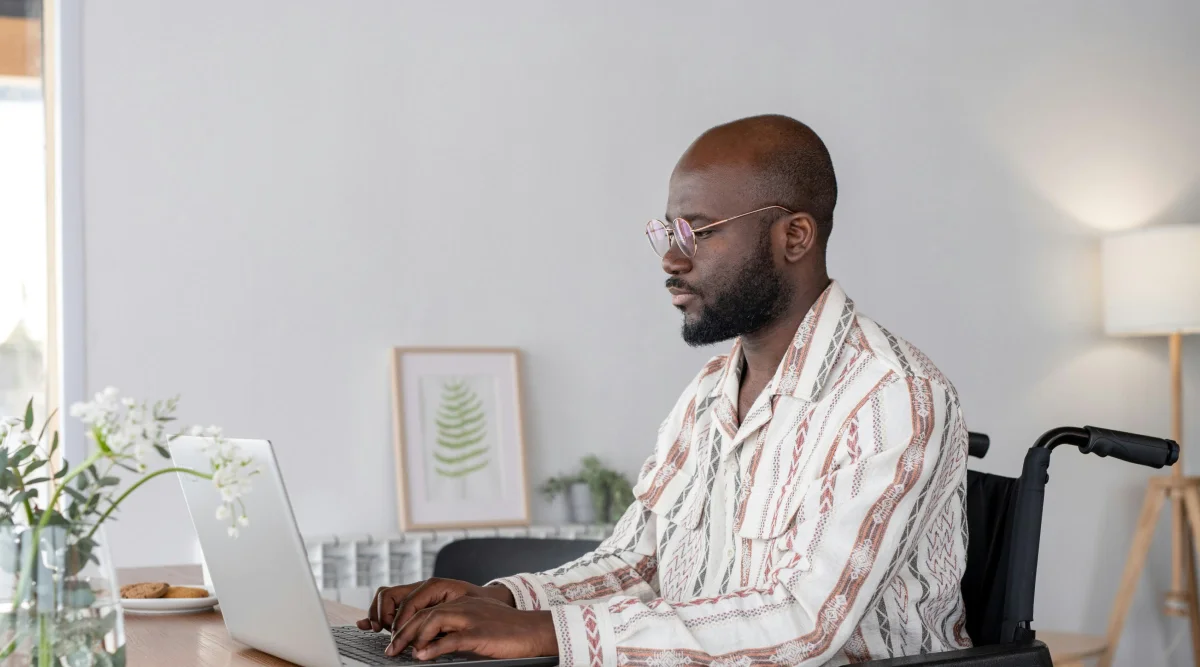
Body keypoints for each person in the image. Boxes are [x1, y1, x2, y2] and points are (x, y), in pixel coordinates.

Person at [358, 114, 971, 666]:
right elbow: (639, 563)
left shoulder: (892, 399)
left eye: (698, 232)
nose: (671, 260)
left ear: (795, 237)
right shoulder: (709, 393)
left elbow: (803, 624)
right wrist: (502, 601)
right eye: (668, 232)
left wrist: (549, 633)